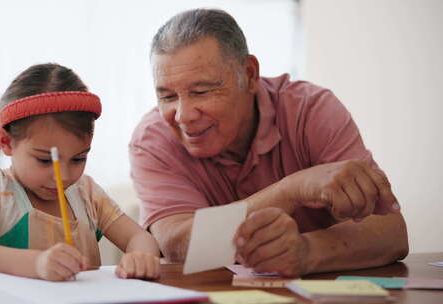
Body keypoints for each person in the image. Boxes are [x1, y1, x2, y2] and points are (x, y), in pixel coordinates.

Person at [129, 8, 408, 277]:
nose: (182, 116)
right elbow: (178, 245)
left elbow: (390, 231)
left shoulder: (310, 110)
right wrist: (291, 190)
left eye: (201, 91)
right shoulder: (152, 140)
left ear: (249, 75)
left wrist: (305, 252)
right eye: (167, 96)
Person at [0, 63, 160, 281]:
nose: (63, 176)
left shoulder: (87, 193)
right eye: (45, 160)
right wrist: (36, 263)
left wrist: (141, 256)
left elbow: (139, 237)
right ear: (6, 142)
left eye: (78, 158)